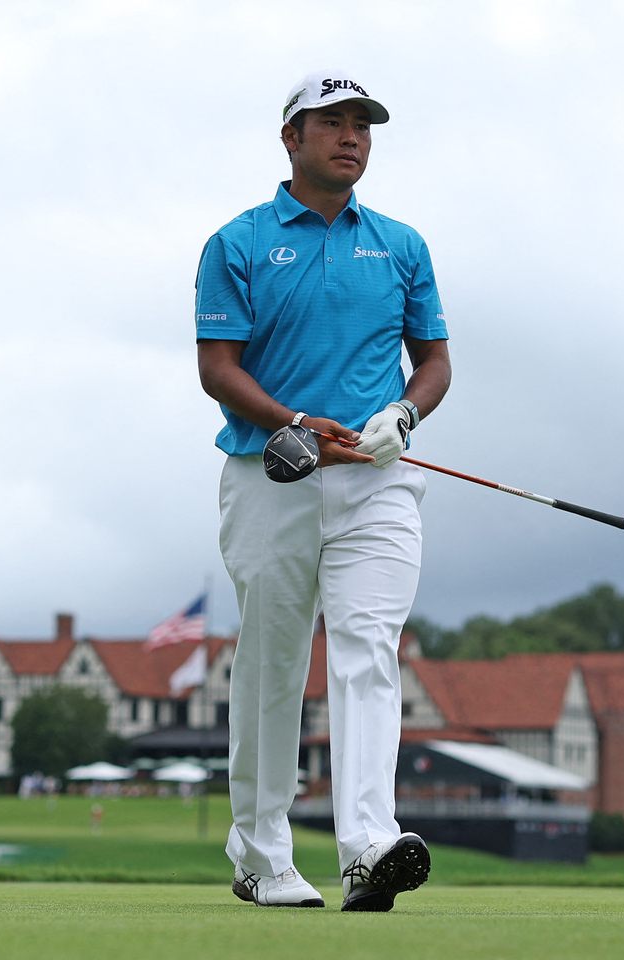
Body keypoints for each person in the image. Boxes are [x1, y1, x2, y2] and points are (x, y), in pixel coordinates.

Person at [195, 69, 452, 911]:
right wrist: (292, 422)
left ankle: (368, 845)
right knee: (272, 667)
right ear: (291, 138)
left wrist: (402, 416)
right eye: (332, 122)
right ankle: (263, 853)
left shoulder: (402, 244)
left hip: (378, 479)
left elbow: (436, 362)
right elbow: (218, 369)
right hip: (272, 475)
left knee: (370, 648)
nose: (351, 137)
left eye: (363, 126)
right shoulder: (237, 242)